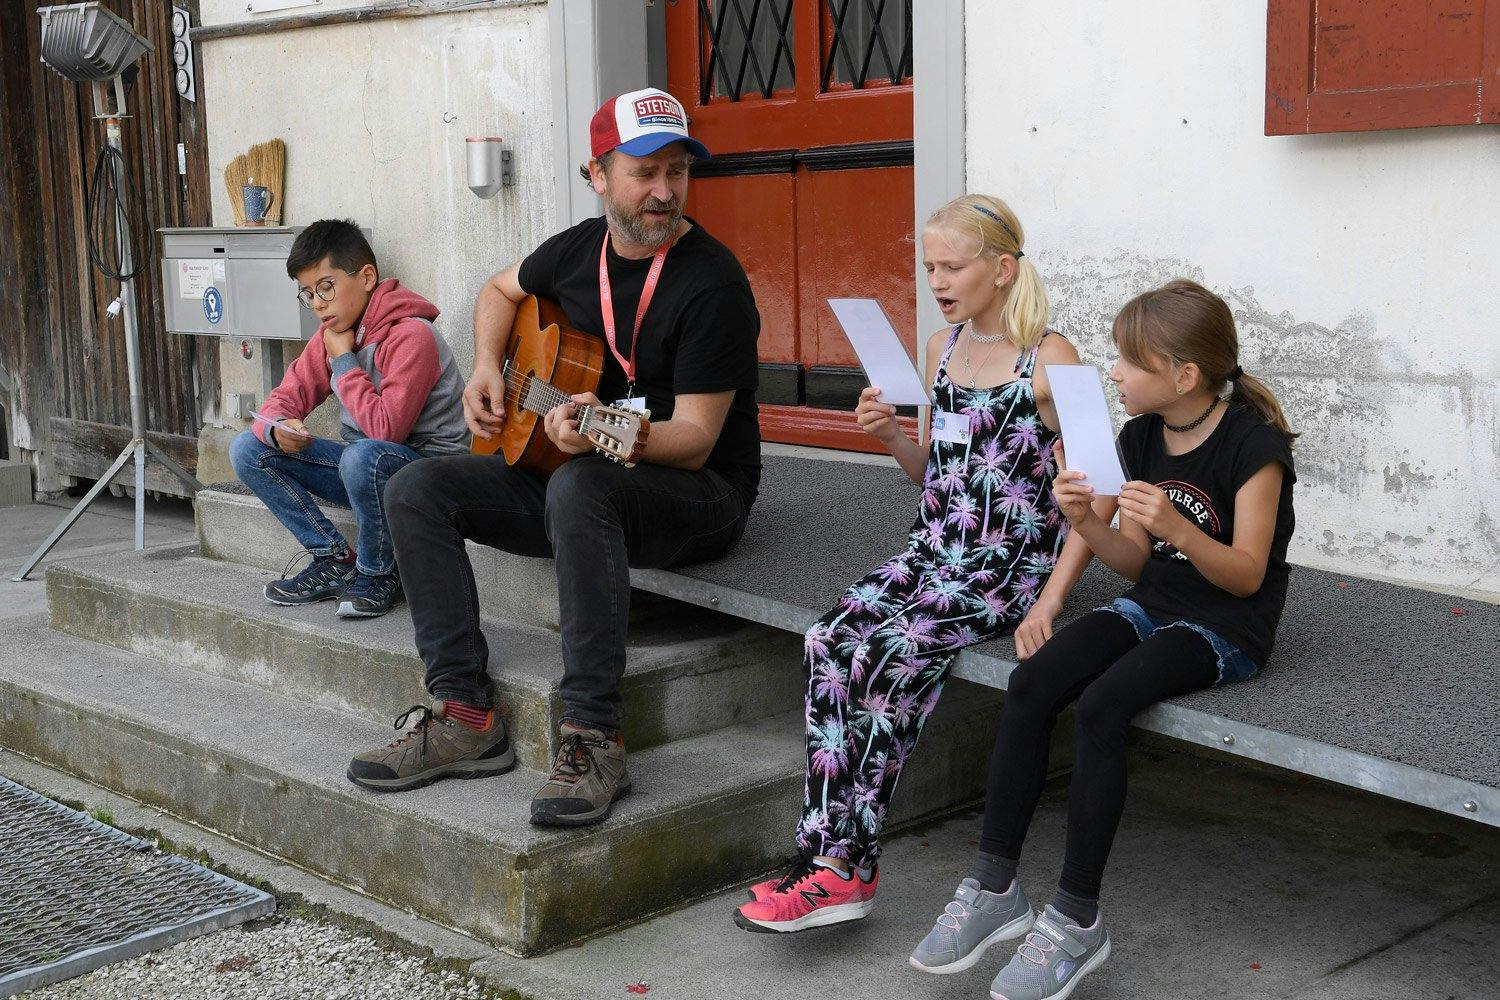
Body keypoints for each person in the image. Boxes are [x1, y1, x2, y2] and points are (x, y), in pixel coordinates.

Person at [345, 88, 761, 828]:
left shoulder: (713, 282)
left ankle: (593, 736)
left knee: (579, 485)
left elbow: (697, 439)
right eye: (643, 173)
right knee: (414, 487)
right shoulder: (576, 251)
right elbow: (500, 292)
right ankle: (467, 715)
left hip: (700, 496)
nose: (664, 191)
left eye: (677, 171)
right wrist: (483, 368)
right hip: (585, 475)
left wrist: (605, 430)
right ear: (596, 176)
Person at [910, 279, 1298, 1000]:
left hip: (1225, 629)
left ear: (1182, 375)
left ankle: (1077, 919)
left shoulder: (1255, 449)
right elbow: (1131, 561)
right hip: (1153, 605)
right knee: (1030, 683)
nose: (1112, 373)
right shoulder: (1140, 436)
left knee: (1102, 706)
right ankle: (995, 889)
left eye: (1128, 362)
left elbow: (1245, 576)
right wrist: (1085, 520)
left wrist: (1180, 529)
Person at [733, 194, 1081, 934]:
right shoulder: (940, 349)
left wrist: (1049, 602)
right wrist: (891, 436)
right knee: (829, 641)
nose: (938, 281)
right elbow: (936, 474)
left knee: (886, 655)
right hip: (933, 553)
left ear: (1003, 268)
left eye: (953, 266)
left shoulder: (1052, 359)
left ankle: (846, 867)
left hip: (1004, 571)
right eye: (930, 267)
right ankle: (823, 855)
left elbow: (1099, 498)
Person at [230, 219, 467, 619]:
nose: (319, 303)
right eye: (308, 294)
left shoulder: (413, 335)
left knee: (363, 455)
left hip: (430, 474)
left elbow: (385, 431)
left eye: (326, 287)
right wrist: (277, 429)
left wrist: (343, 359)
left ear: (367, 277)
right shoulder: (334, 333)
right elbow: (284, 398)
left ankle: (380, 572)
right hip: (368, 471)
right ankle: (334, 559)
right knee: (248, 449)